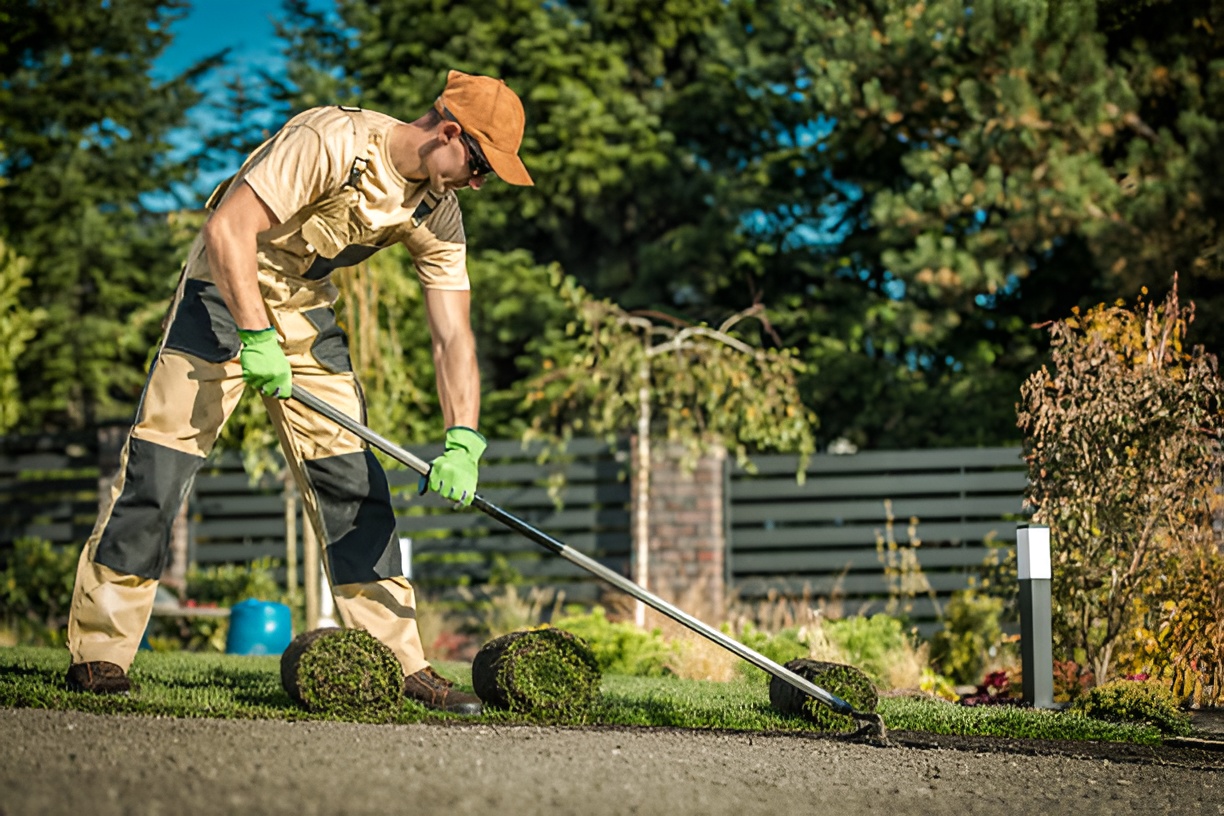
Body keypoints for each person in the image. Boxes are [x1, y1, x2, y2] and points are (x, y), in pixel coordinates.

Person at [63, 70, 534, 715]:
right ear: (448, 132)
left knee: (354, 482)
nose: (479, 184)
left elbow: (453, 335)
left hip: (305, 312)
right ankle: (100, 653)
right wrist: (254, 336)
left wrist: (464, 438)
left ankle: (400, 665)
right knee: (160, 467)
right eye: (480, 166)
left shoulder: (437, 209)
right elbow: (228, 228)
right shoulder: (332, 140)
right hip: (225, 292)